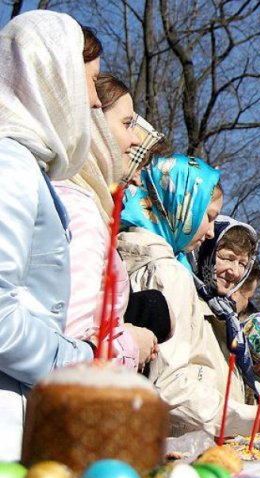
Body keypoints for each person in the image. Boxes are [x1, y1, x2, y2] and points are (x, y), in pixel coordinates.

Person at [0, 12, 102, 460]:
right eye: (91, 81)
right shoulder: (10, 164)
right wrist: (76, 360)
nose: (96, 102)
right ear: (52, 76)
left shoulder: (24, 163)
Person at [118, 154, 260, 437]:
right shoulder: (168, 273)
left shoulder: (133, 255)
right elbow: (170, 385)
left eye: (242, 264)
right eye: (206, 217)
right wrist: (252, 419)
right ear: (181, 206)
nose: (209, 232)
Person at [53, 73, 160, 372]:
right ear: (95, 126)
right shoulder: (79, 208)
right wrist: (131, 343)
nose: (135, 139)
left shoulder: (84, 203)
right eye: (127, 125)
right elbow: (67, 350)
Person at [195, 215, 259, 396]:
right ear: (207, 251)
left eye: (242, 264)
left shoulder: (229, 319)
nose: (235, 272)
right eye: (228, 258)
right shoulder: (189, 300)